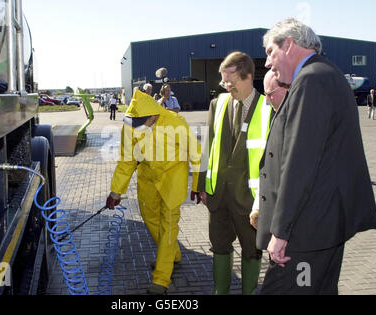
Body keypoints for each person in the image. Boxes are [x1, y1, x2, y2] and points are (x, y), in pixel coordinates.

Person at [259, 18, 376, 295]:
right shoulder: (327, 74)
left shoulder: (311, 81)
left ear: (288, 44)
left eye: (270, 53)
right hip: (320, 227)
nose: (267, 63)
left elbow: (300, 163)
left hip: (305, 234)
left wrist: (281, 232)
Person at [106, 89, 202, 295]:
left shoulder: (176, 122)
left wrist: (198, 186)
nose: (135, 128)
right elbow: (126, 160)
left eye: (140, 124)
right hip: (148, 177)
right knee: (149, 218)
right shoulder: (131, 125)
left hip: (172, 177)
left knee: (169, 225)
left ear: (154, 116)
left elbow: (196, 154)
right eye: (133, 123)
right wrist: (115, 192)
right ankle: (172, 253)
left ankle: (161, 279)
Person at [197, 51, 272, 295]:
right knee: (219, 246)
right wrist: (201, 185)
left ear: (248, 76)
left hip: (250, 199)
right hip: (217, 195)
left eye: (231, 82)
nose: (227, 87)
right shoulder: (217, 104)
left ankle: (249, 291)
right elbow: (208, 146)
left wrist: (266, 200)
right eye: (224, 82)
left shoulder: (268, 108)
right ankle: (221, 291)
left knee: (252, 249)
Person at [249, 70, 288, 230]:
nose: (266, 99)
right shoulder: (276, 118)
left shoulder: (301, 122)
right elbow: (267, 167)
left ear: (288, 88)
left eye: (270, 94)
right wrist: (257, 207)